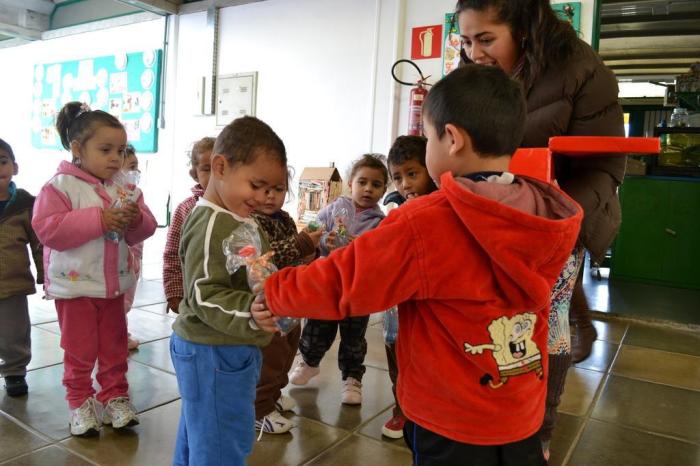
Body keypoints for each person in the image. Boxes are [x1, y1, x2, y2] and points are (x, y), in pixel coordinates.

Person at [256, 65, 582, 466]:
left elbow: (346, 280)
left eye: (427, 137)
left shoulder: (429, 221)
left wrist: (276, 289)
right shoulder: (541, 211)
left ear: (452, 139)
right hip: (520, 412)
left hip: (450, 420)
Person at [455, 0, 625, 455]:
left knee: (546, 324)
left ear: (525, 29)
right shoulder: (473, 67)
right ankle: (486, 411)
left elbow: (603, 165)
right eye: (466, 40)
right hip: (487, 219)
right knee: (492, 321)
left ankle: (539, 430)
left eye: (486, 39)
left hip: (555, 223)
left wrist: (556, 226)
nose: (474, 54)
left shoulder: (581, 69)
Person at [32, 102, 157, 436]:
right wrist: (99, 219)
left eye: (121, 150)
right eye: (105, 150)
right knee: (80, 349)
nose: (115, 158)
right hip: (74, 288)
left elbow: (145, 229)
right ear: (77, 149)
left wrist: (136, 219)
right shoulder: (59, 187)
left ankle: (115, 396)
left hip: (112, 286)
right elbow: (48, 229)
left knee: (115, 346)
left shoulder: (124, 187)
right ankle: (80, 402)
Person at [169, 116, 288, 465]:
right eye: (257, 184)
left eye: (274, 188)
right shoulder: (211, 224)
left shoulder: (237, 214)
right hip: (212, 351)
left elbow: (254, 266)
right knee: (223, 442)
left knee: (201, 433)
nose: (264, 196)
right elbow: (204, 294)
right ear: (220, 167)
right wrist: (250, 313)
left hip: (228, 348)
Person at [287, 154, 388, 406]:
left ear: (384, 190)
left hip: (358, 288)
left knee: (354, 336)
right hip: (328, 283)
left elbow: (382, 255)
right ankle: (309, 362)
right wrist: (323, 241)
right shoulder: (333, 208)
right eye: (362, 182)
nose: (368, 189)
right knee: (317, 326)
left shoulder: (380, 222)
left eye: (376, 185)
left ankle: (352, 378)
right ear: (350, 183)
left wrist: (363, 250)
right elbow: (312, 232)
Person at [250, 169, 324, 434]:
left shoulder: (285, 219)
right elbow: (265, 257)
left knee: (289, 351)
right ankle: (259, 408)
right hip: (269, 303)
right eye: (262, 187)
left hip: (291, 300)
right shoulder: (251, 221)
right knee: (271, 356)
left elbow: (296, 256)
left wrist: (311, 253)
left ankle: (274, 394)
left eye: (278, 189)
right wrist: (302, 243)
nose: (270, 196)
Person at [381, 135, 437, 439]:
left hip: (428, 301)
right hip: (397, 300)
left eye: (412, 174)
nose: (405, 184)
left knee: (425, 356)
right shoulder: (394, 207)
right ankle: (401, 408)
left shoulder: (442, 203)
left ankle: (424, 408)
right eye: (397, 177)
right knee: (395, 351)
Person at [0, 138, 43, 397]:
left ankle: (15, 370)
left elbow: (39, 242)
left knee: (14, 330)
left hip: (12, 281)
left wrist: (46, 274)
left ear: (15, 167)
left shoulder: (26, 203)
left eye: (2, 162)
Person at [163, 137, 214, 314]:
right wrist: (174, 292)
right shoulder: (185, 209)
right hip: (191, 296)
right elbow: (172, 253)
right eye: (207, 169)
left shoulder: (239, 207)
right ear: (195, 174)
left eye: (221, 168)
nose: (215, 175)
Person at [121, 144, 142, 350]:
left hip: (134, 258)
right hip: (122, 260)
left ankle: (120, 334)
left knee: (127, 299)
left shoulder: (136, 194)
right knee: (121, 301)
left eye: (137, 167)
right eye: (131, 167)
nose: (135, 172)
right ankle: (120, 338)